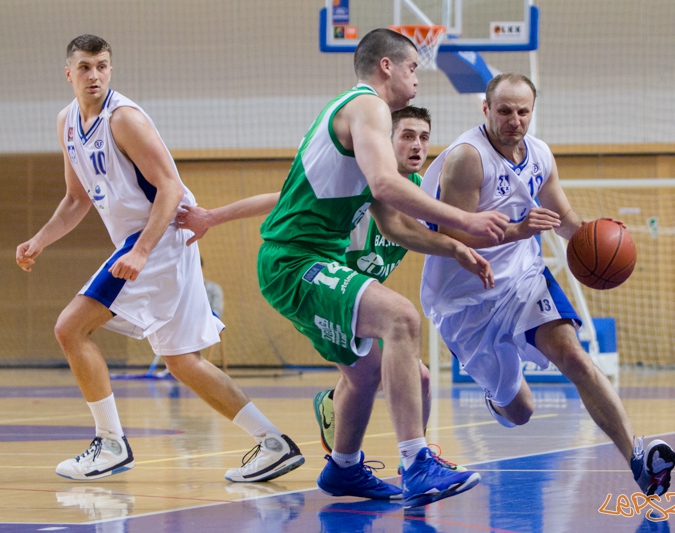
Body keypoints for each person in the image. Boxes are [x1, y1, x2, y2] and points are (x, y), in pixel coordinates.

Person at [185, 29, 509, 507]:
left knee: (364, 374)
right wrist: (464, 218)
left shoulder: (360, 119)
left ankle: (343, 468)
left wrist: (455, 248)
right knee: (401, 318)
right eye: (413, 68)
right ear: (386, 66)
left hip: (303, 261)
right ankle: (417, 461)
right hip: (297, 260)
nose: (417, 78)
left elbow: (394, 225)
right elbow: (384, 181)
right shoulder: (368, 107)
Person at [15, 35, 304, 483]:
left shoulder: (124, 118)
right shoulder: (67, 123)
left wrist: (143, 250)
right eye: (86, 67)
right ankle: (273, 443)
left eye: (103, 66)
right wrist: (39, 239)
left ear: (110, 70)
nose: (95, 75)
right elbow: (76, 199)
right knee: (183, 360)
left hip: (160, 236)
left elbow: (169, 186)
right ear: (69, 73)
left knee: (69, 327)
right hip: (154, 243)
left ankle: (110, 444)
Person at [419, 73, 675, 497]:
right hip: (465, 298)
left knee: (574, 356)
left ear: (532, 112)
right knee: (520, 411)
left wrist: (598, 238)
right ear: (485, 110)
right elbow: (456, 236)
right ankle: (498, 396)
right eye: (504, 110)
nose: (514, 120)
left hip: (524, 281)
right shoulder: (467, 157)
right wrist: (520, 229)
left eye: (523, 111)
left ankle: (638, 457)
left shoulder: (539, 155)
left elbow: (565, 219)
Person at [178, 106, 463, 472]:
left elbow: (436, 228)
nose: (417, 145)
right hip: (325, 286)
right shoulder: (360, 179)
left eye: (424, 137)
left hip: (359, 296)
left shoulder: (419, 192)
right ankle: (400, 459)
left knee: (402, 375)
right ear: (384, 140)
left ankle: (407, 456)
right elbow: (279, 199)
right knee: (388, 365)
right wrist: (213, 216)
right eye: (406, 135)